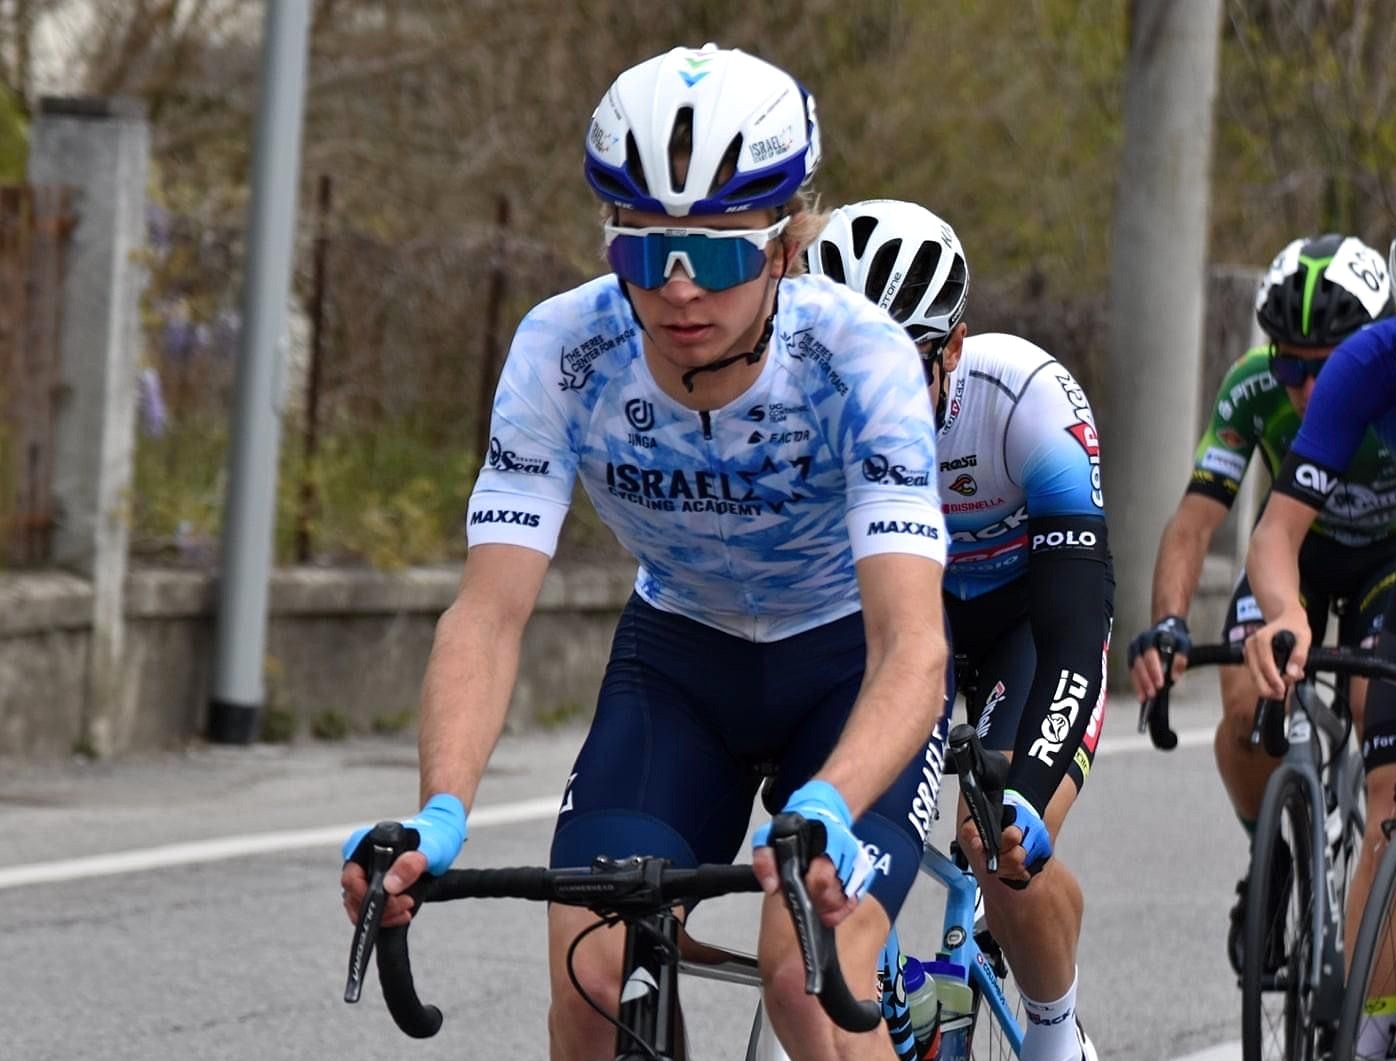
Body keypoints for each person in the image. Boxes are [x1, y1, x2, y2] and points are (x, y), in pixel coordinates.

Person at [339, 45, 953, 1061]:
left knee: (808, 978)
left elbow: (914, 649)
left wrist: (834, 801)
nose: (676, 293)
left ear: (788, 243)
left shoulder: (859, 359)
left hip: (843, 665)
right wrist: (439, 810)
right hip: (680, 660)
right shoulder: (562, 349)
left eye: (713, 254)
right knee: (586, 968)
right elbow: (487, 613)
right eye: (642, 251)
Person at [810, 199, 1111, 1061]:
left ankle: (1053, 1036)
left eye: (900, 367)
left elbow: (1075, 626)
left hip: (1028, 618)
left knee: (998, 843)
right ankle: (910, 993)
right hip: (912, 617)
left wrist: (1034, 781)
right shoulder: (800, 421)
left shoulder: (1026, 399)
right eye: (847, 368)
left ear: (954, 346)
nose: (871, 397)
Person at [1129, 233, 1396, 974]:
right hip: (1293, 559)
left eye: (1325, 367)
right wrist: (1169, 623)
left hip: (1385, 565)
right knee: (1246, 713)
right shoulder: (1252, 389)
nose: (1304, 388)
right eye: (1287, 362)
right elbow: (1195, 520)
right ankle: (1272, 855)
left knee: (1379, 703)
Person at [1243, 238, 1396, 1056]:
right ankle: (1370, 1030)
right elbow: (1275, 533)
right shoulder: (1366, 363)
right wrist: (1284, 615)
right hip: (1369, 568)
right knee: (1393, 787)